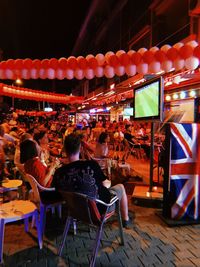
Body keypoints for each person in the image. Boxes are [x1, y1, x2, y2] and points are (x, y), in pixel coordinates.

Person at [52, 133, 131, 228]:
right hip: (98, 211)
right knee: (121, 187)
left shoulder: (59, 172)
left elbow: (57, 192)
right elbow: (104, 184)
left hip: (74, 211)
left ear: (64, 149)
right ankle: (125, 220)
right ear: (80, 148)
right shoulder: (91, 165)